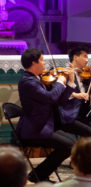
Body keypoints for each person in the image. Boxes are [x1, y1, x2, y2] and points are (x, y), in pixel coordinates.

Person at [16, 48, 76, 182]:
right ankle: (38, 175)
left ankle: (39, 174)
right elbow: (50, 98)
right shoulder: (28, 82)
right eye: (42, 60)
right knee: (68, 146)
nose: (44, 64)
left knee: (72, 143)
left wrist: (70, 83)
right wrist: (60, 81)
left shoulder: (39, 78)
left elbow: (58, 100)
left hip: (44, 125)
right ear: (33, 63)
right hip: (33, 130)